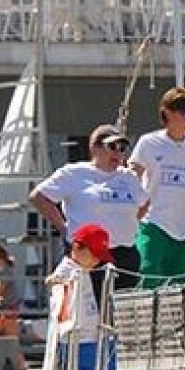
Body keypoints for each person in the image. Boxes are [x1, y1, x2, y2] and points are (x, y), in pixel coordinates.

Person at [30, 124, 145, 290]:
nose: (117, 153)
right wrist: (63, 227)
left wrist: (130, 224)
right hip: (88, 255)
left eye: (122, 148)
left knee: (123, 304)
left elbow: (144, 202)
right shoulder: (73, 173)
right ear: (95, 148)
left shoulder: (128, 177)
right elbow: (39, 197)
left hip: (125, 253)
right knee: (87, 303)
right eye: (112, 147)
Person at [128, 86, 185, 288]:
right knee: (147, 274)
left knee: (175, 288)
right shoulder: (149, 142)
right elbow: (132, 179)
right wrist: (131, 216)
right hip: (153, 224)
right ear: (168, 113)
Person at [46, 224, 116, 370]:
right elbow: (56, 280)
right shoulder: (68, 268)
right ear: (77, 248)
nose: (97, 261)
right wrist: (55, 279)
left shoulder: (82, 269)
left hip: (91, 337)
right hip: (77, 341)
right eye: (94, 255)